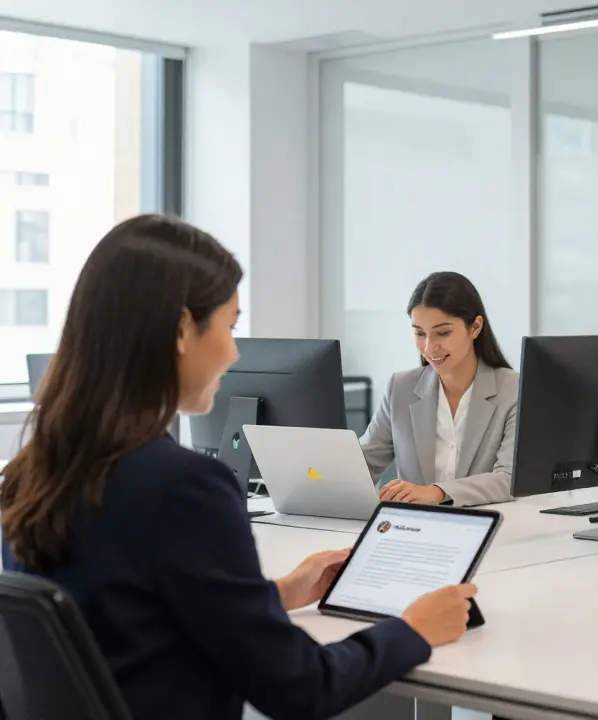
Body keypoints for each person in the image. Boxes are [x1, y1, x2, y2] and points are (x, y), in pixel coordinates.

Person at [0, 215, 478, 720]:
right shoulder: (185, 489)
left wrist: (276, 595)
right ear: (183, 328)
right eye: (230, 327)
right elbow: (300, 688)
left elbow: (128, 622)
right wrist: (413, 630)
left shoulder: (30, 475)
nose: (233, 353)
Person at [363, 272, 518, 507]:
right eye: (419, 333)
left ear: (475, 327)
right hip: (414, 528)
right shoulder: (401, 388)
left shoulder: (513, 390)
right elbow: (364, 464)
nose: (429, 347)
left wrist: (436, 492)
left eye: (443, 332)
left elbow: (509, 479)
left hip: (490, 529)